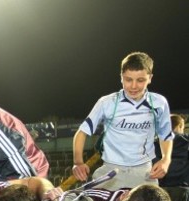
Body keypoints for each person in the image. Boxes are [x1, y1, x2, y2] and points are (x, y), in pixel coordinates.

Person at [72, 52, 174, 190]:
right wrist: (78, 162)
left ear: (150, 78)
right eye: (128, 79)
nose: (133, 86)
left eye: (140, 80)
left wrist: (165, 160)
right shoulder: (107, 102)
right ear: (121, 78)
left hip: (144, 172)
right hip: (111, 171)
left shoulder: (159, 103)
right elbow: (82, 132)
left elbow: (165, 135)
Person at [157, 114, 189, 187]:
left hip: (162, 186)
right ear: (179, 126)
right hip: (182, 186)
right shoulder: (186, 140)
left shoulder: (156, 142)